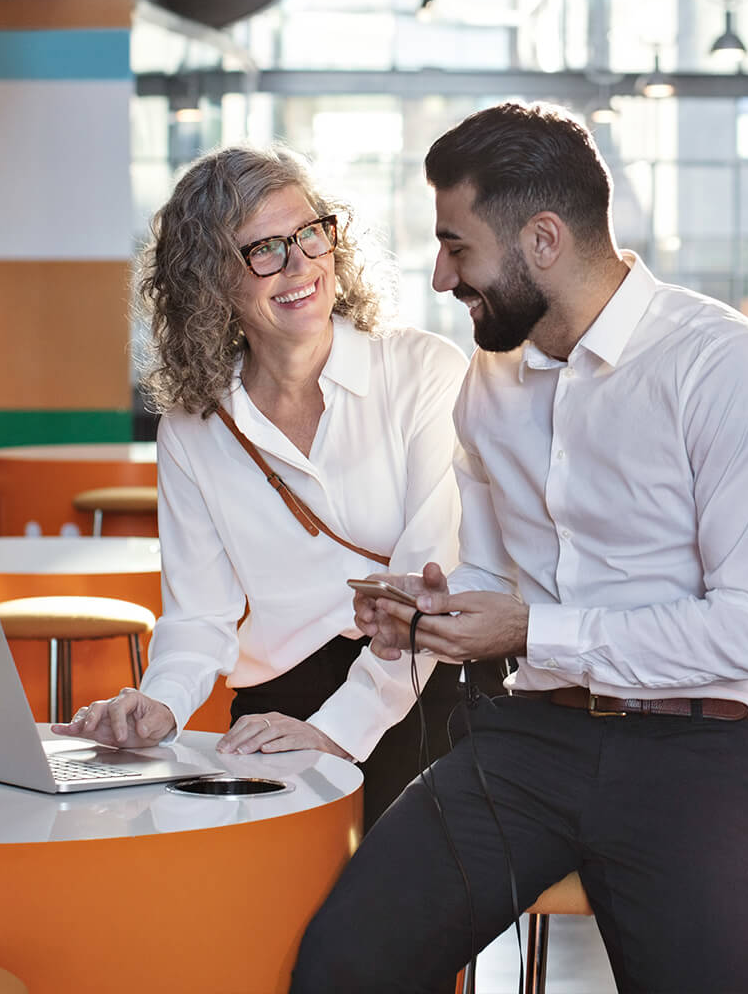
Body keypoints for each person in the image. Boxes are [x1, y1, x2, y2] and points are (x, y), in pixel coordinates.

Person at [292, 102, 748, 993]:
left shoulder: (723, 365)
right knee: (344, 961)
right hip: (531, 741)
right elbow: (496, 575)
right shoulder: (490, 383)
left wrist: (531, 631)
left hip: (706, 755)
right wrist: (436, 612)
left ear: (541, 239)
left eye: (458, 247)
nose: (441, 276)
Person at [51, 145, 499, 829]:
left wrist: (336, 731)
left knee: (404, 925)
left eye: (310, 234)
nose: (299, 266)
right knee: (274, 922)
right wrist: (162, 704)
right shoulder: (195, 427)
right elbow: (200, 616)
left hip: (420, 685)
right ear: (210, 283)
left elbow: (426, 582)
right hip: (275, 707)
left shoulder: (422, 372)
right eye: (262, 250)